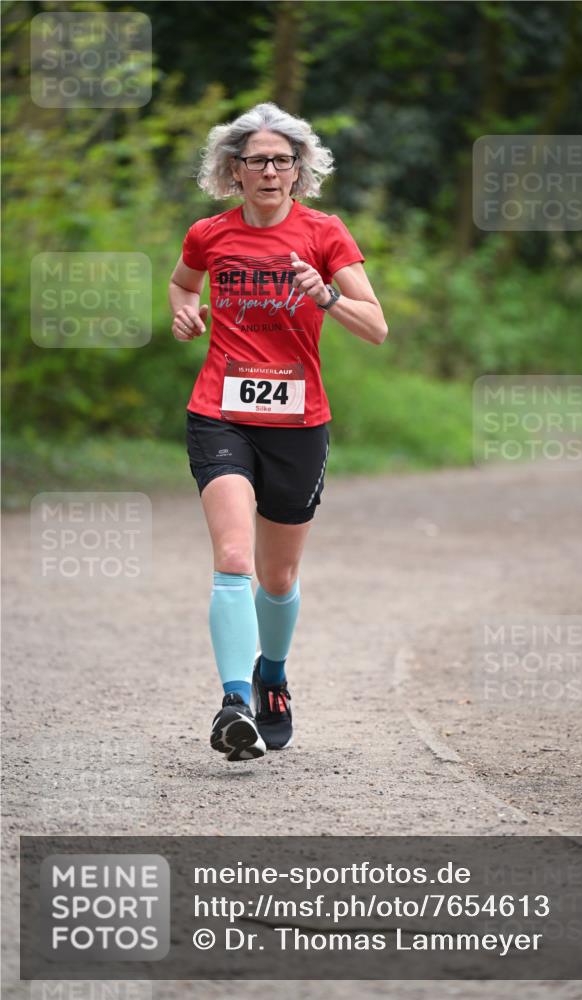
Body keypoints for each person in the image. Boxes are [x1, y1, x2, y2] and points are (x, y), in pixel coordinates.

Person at [168, 102, 387, 763]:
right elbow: (182, 285)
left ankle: (271, 673)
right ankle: (234, 702)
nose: (269, 170)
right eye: (256, 160)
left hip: (297, 424)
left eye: (282, 160)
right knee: (232, 558)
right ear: (232, 169)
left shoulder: (324, 234)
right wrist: (184, 314)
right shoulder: (208, 234)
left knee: (279, 575)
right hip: (221, 412)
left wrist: (323, 295)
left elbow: (375, 326)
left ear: (300, 170)